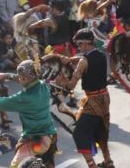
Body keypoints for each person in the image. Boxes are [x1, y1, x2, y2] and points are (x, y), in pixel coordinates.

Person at [55, 29, 113, 168]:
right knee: (101, 130)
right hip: (104, 97)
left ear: (87, 43)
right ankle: (108, 161)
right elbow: (84, 57)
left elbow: (70, 86)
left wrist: (61, 82)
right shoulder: (101, 54)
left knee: (79, 134)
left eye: (80, 44)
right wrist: (71, 60)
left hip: (92, 100)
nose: (78, 47)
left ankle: (92, 165)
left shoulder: (83, 62)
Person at [0, 60, 58, 168]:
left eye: (22, 76)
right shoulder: (43, 85)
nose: (20, 78)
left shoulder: (24, 98)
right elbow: (25, 80)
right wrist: (7, 75)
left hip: (35, 140)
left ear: (27, 77)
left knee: (16, 166)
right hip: (50, 134)